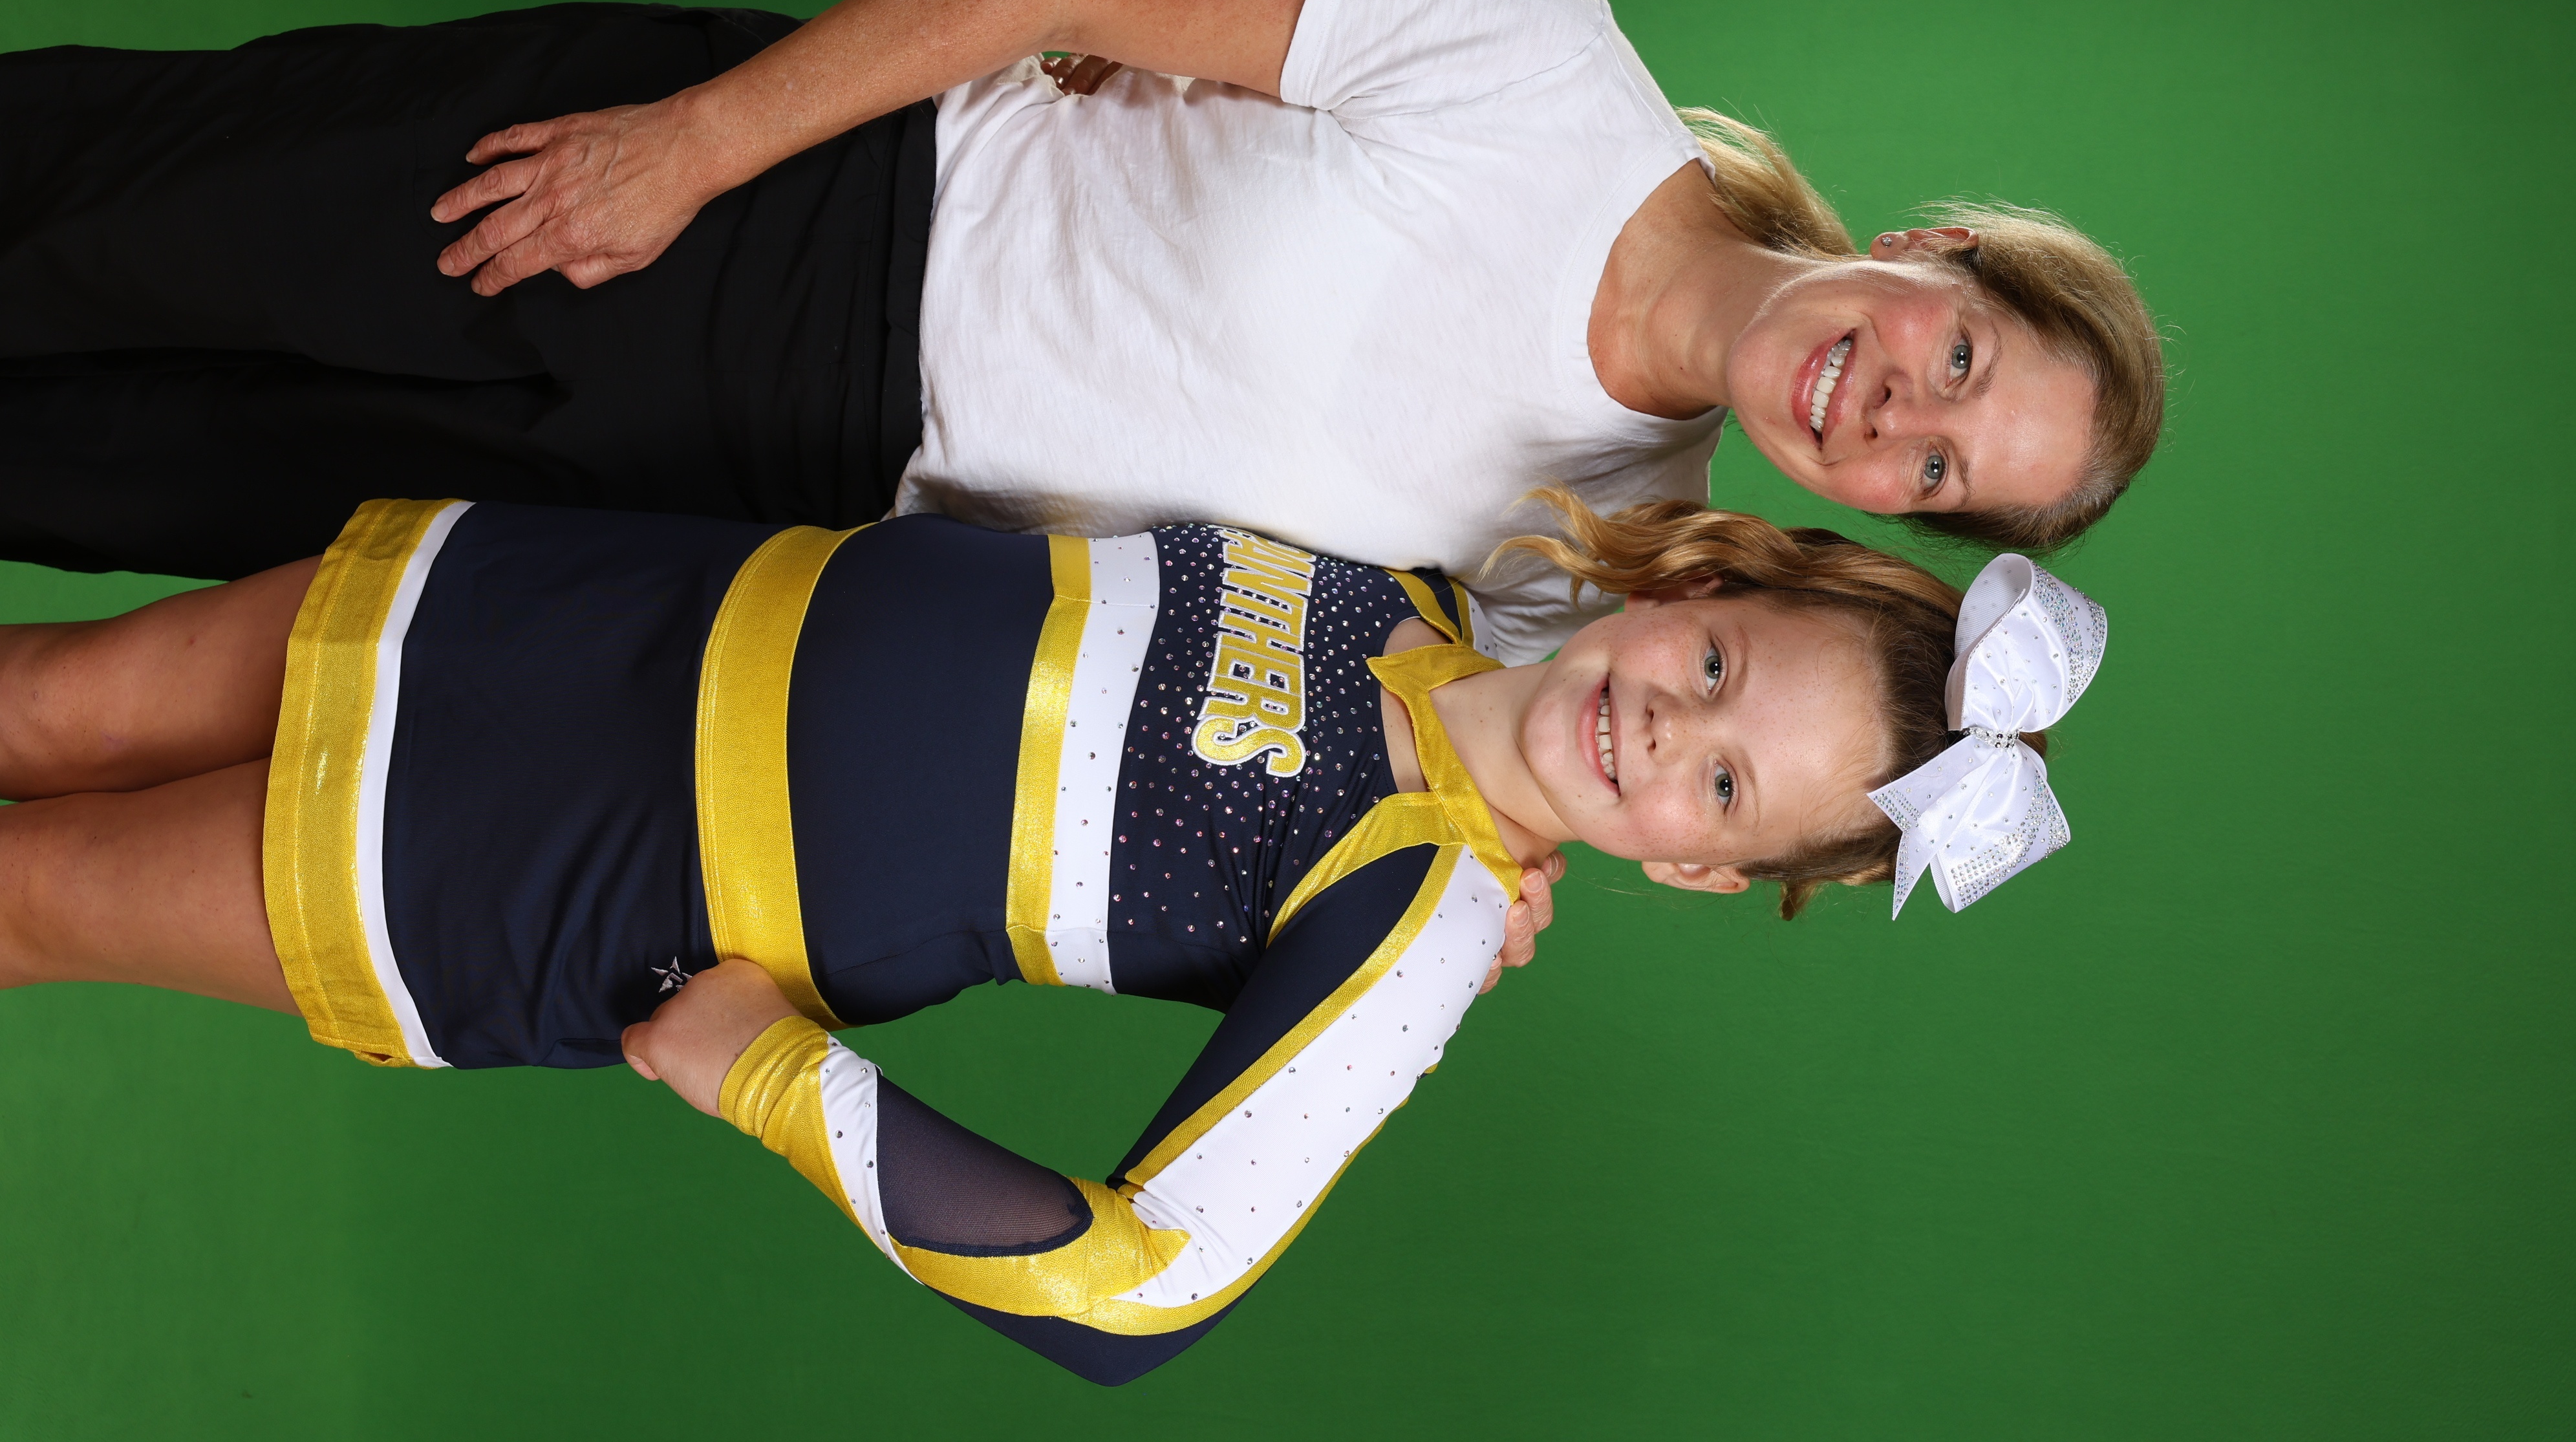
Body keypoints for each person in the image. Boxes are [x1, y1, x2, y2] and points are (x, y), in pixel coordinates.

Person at [0, 488, 2103, 1381]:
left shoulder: (1428, 925)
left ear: (1705, 873)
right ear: (1701, 590)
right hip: (597, 611)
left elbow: (1142, 1286)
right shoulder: (1411, 570)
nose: (1666, 730)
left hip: (598, 871)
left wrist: (775, 1080)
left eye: (1723, 791)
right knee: (47, 698)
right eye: (1720, 667)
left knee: (30, 894)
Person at [0, 0, 2163, 662]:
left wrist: (1497, 894)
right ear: (1928, 251)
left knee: (141, 479)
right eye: (1960, 356)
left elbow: (1462, 769)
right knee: (109, 214)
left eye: (1942, 474)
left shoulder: (1574, 568)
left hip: (790, 502)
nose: (1898, 415)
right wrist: (698, 145)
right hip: (799, 197)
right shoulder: (1546, 66)